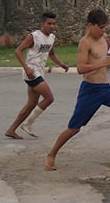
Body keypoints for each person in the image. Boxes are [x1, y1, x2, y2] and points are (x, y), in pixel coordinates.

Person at [45, 9, 110, 171]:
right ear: (90, 25)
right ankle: (51, 155)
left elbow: (107, 51)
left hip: (105, 88)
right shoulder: (85, 42)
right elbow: (81, 68)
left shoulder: (103, 38)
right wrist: (103, 63)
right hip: (90, 90)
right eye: (101, 27)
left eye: (105, 27)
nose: (104, 31)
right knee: (74, 128)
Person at [5, 12, 70, 140]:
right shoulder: (33, 36)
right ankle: (28, 124)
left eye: (54, 24)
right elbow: (18, 51)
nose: (52, 26)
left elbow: (51, 54)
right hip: (32, 73)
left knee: (31, 103)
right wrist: (26, 68)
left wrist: (61, 64)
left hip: (40, 72)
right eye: (49, 23)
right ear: (42, 24)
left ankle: (11, 130)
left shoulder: (52, 38)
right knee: (49, 98)